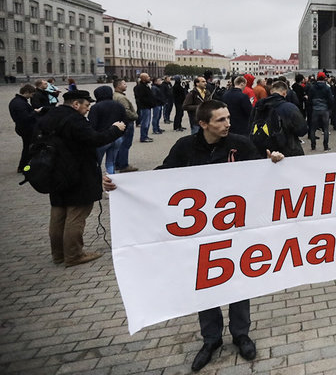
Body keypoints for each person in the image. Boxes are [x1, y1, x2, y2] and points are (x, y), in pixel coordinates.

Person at [103, 100, 284, 372]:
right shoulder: (185, 148)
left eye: (227, 118)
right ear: (203, 124)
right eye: (220, 120)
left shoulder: (241, 144)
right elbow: (161, 177)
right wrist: (123, 185)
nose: (227, 124)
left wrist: (274, 162)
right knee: (205, 284)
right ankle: (211, 339)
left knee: (238, 281)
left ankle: (241, 334)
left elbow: (260, 175)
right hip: (199, 233)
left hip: (235, 227)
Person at [40, 90, 125, 266]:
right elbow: (95, 139)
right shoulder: (74, 120)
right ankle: (74, 255)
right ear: (76, 104)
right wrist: (115, 130)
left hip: (55, 172)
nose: (87, 110)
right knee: (76, 213)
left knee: (58, 212)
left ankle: (58, 254)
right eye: (86, 105)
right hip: (77, 172)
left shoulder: (50, 116)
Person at [250, 80, 308, 156]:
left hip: (263, 151)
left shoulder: (259, 106)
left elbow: (250, 124)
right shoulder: (289, 107)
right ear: (284, 93)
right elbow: (302, 130)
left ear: (271, 91)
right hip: (287, 150)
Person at [89, 86, 126, 174]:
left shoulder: (96, 107)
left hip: (102, 138)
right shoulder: (119, 105)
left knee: (96, 162)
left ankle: (96, 180)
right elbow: (125, 122)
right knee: (110, 162)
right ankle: (112, 178)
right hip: (117, 137)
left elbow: (92, 125)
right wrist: (121, 134)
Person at [9, 84, 40, 173]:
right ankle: (23, 167)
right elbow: (25, 117)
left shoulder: (18, 101)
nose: (32, 96)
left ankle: (24, 166)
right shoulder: (19, 103)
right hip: (26, 128)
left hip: (24, 127)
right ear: (26, 92)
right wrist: (35, 112)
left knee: (28, 147)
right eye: (31, 94)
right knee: (28, 148)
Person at [113, 79, 139, 173]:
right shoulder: (121, 98)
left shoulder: (115, 95)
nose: (126, 85)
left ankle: (117, 163)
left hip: (120, 122)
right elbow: (126, 111)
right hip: (127, 122)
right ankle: (123, 165)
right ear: (118, 86)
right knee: (125, 144)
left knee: (119, 144)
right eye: (124, 84)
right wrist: (135, 116)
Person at [307, 72, 333, 151]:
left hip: (315, 109)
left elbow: (309, 99)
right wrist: (329, 108)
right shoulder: (327, 88)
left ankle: (313, 145)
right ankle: (325, 146)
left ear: (317, 78)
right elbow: (330, 99)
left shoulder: (312, 87)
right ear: (324, 78)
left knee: (313, 128)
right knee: (325, 129)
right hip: (324, 109)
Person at [133, 73, 155, 142]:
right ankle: (143, 137)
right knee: (145, 123)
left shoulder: (146, 85)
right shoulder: (141, 87)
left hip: (148, 107)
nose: (149, 78)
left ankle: (145, 135)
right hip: (145, 107)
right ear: (144, 79)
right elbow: (142, 98)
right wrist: (150, 103)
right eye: (148, 77)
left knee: (147, 122)